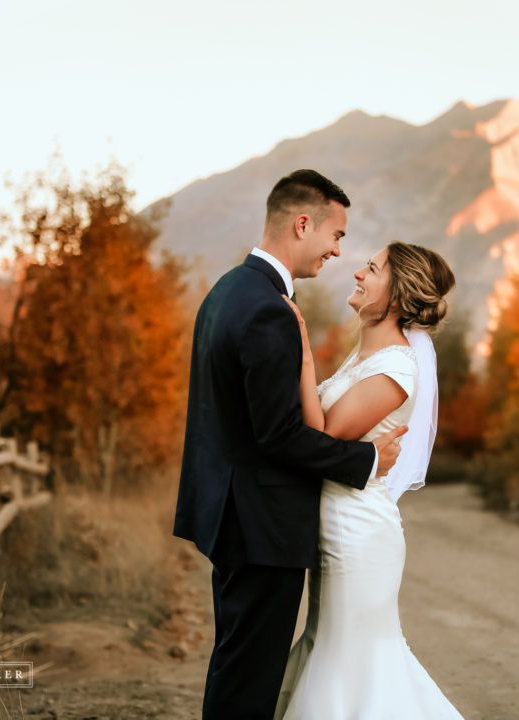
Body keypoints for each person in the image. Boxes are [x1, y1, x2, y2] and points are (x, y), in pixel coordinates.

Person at [172, 169, 409, 720]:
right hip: (261, 526)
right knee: (249, 682)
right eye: (337, 235)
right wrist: (367, 458)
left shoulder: (229, 291)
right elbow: (278, 435)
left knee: (237, 666)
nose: (337, 249)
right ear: (303, 223)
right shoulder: (267, 309)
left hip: (233, 515)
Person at [275, 241, 464, 719]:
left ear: (397, 298)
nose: (358, 272)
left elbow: (324, 434)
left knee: (351, 660)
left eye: (373, 268)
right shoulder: (364, 358)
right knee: (331, 648)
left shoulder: (397, 367)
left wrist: (301, 356)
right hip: (336, 523)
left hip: (357, 532)